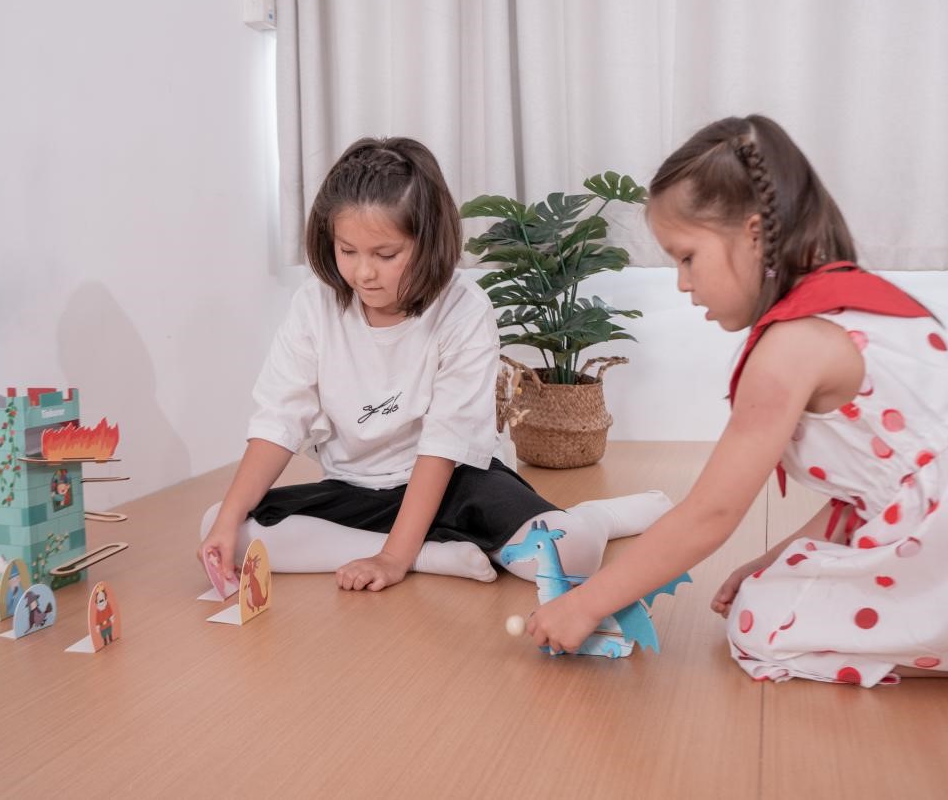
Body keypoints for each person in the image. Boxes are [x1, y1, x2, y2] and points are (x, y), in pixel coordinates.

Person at [527, 115, 948, 686]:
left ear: (753, 234)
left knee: (761, 624)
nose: (682, 283)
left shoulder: (791, 347)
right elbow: (885, 486)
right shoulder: (852, 302)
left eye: (686, 257)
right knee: (771, 586)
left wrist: (585, 604)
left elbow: (712, 513)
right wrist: (774, 559)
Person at [198, 136, 671, 594]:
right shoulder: (314, 304)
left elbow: (445, 442)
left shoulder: (464, 307)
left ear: (427, 242)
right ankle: (433, 556)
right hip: (355, 489)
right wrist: (225, 525)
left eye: (386, 255)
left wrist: (392, 560)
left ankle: (598, 517)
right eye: (348, 251)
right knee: (219, 524)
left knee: (569, 557)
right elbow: (280, 418)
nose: (364, 273)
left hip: (457, 481)